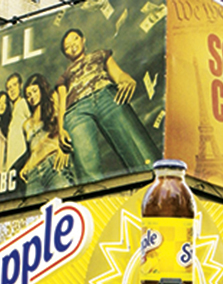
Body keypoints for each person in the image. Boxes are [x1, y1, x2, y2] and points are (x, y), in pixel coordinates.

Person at [55, 28, 159, 183]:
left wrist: (126, 78)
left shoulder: (100, 55)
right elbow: (61, 103)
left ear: (83, 39)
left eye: (75, 39)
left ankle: (157, 188)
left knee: (135, 144)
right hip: (76, 109)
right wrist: (61, 129)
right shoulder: (65, 75)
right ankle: (92, 202)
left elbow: (117, 74)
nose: (73, 46)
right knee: (86, 162)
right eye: (67, 47)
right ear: (66, 54)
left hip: (104, 94)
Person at [13, 74, 72, 194]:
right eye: (28, 95)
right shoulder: (26, 125)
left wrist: (64, 148)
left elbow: (66, 123)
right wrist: (25, 167)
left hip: (54, 164)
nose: (32, 97)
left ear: (41, 89)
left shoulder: (52, 102)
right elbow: (34, 149)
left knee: (64, 204)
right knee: (34, 212)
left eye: (34, 91)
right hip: (33, 173)